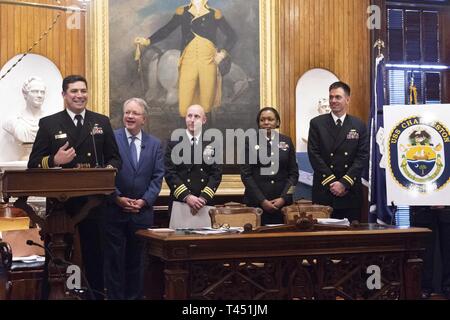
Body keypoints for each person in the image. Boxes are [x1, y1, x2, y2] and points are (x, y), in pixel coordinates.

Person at [28, 75, 122, 299]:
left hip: (94, 201)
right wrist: (54, 160)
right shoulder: (50, 123)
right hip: (62, 203)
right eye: (74, 91)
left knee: (95, 256)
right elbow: (33, 163)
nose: (80, 95)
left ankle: (97, 296)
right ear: (64, 95)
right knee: (57, 257)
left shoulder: (101, 121)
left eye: (83, 91)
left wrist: (106, 170)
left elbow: (116, 158)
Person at [104, 98, 164, 300]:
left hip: (141, 214)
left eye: (134, 113)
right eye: (127, 112)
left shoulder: (154, 144)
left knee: (138, 262)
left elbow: (157, 177)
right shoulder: (112, 138)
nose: (129, 116)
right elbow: (105, 174)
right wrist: (118, 197)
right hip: (115, 211)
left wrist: (144, 201)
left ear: (143, 119)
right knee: (114, 262)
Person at [134, 0, 237, 117]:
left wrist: (222, 54)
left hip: (208, 62)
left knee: (207, 105)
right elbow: (167, 30)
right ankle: (185, 134)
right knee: (184, 105)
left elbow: (232, 36)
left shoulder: (215, 14)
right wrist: (148, 41)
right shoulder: (183, 12)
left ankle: (206, 133)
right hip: (188, 61)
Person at [307, 81, 369, 222]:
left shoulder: (358, 125)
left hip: (350, 190)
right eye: (331, 97)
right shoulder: (317, 123)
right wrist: (333, 183)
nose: (333, 101)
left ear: (347, 99)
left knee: (350, 239)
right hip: (325, 189)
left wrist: (344, 183)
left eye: (338, 97)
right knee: (323, 238)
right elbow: (314, 154)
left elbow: (362, 157)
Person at [240, 107, 299, 225]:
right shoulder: (249, 141)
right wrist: (262, 200)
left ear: (277, 122)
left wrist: (284, 198)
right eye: (262, 120)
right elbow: (246, 175)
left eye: (270, 119)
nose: (266, 123)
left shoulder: (286, 141)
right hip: (257, 205)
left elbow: (294, 174)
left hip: (282, 206)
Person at [164, 104, 222, 215]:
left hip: (204, 203)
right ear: (185, 118)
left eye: (197, 116)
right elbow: (170, 173)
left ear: (204, 120)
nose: (192, 120)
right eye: (189, 116)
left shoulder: (212, 143)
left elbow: (216, 174)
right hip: (180, 202)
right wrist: (187, 196)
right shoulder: (173, 142)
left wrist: (203, 198)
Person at [410, 206, 450, 299]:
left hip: (448, 210)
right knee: (425, 253)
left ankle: (448, 287)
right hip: (422, 209)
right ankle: (424, 288)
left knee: (448, 253)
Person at [3, 76, 46, 144]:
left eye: (42, 92)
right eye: (35, 91)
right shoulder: (13, 121)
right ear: (25, 94)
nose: (40, 95)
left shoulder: (50, 120)